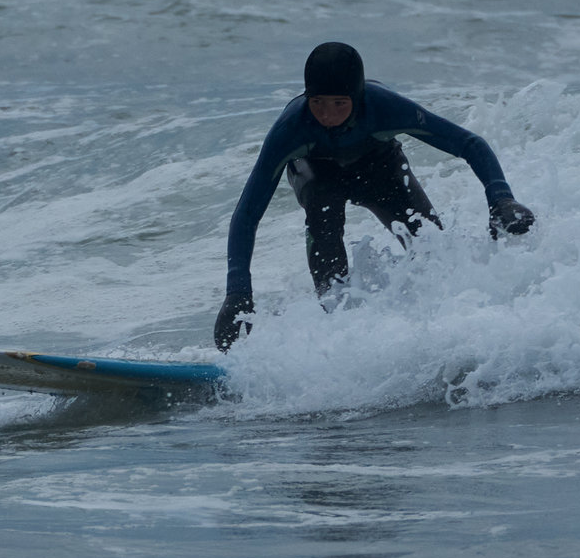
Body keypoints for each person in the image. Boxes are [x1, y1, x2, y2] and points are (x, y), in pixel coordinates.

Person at [213, 41, 534, 349]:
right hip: (316, 174)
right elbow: (247, 214)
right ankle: (338, 334)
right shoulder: (291, 128)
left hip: (379, 168)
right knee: (323, 211)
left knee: (431, 246)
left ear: (357, 96)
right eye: (318, 103)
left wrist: (500, 200)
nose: (327, 115)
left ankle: (448, 328)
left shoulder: (385, 107)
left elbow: (469, 144)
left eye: (339, 103)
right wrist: (237, 291)